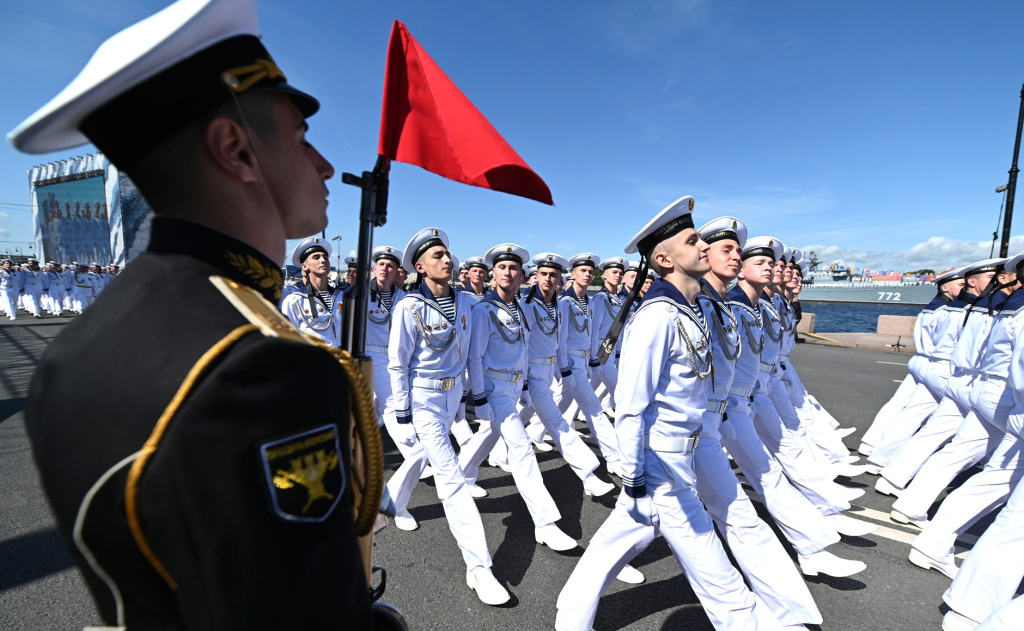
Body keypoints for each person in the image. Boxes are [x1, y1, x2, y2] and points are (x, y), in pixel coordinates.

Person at [12, 0, 377, 626]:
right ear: (235, 149)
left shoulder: (77, 347)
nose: (323, 166)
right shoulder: (260, 367)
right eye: (302, 138)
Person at [556, 196, 781, 631]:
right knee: (721, 580)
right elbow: (631, 407)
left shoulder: (690, 310)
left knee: (618, 540)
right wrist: (635, 477)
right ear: (663, 258)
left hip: (683, 456)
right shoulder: (657, 316)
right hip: (662, 468)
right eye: (692, 240)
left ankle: (570, 613)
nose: (703, 247)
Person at [388, 227, 509, 605]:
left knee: (425, 455)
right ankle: (479, 568)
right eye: (437, 256)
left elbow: (470, 352)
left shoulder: (467, 303)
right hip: (424, 398)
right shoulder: (409, 306)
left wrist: (473, 396)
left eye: (447, 254)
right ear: (421, 267)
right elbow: (397, 363)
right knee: (451, 479)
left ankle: (392, 500)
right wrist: (403, 408)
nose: (447, 259)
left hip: (453, 395)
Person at [456, 243, 578, 551]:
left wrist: (523, 385)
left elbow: (522, 349)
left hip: (513, 386)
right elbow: (476, 356)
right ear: (493, 274)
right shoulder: (484, 310)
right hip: (495, 389)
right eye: (502, 268)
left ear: (523, 276)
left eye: (513, 268)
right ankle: (546, 523)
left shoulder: (520, 308)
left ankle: (460, 477)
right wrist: (480, 397)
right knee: (521, 448)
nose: (508, 273)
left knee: (488, 434)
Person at [280, 236, 344, 346]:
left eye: (325, 257)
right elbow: (287, 339)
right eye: (316, 257)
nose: (323, 260)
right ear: (304, 266)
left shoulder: (342, 296)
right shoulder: (294, 300)